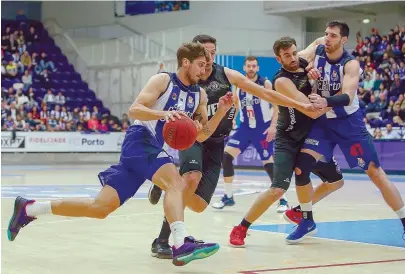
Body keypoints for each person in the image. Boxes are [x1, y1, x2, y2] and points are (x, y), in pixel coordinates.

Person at [7, 42, 234, 266]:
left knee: (100, 208)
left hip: (154, 149)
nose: (204, 71)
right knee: (176, 184)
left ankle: (30, 208)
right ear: (186, 62)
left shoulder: (200, 96)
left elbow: (201, 135)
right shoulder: (163, 80)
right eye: (201, 65)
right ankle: (180, 242)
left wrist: (221, 111)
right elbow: (134, 109)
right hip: (139, 140)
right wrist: (164, 114)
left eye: (206, 66)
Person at [147, 34, 315, 259]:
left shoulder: (226, 74)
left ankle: (166, 183)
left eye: (212, 52)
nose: (208, 57)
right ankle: (163, 240)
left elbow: (265, 93)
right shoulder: (188, 79)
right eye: (204, 53)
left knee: (197, 205)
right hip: (194, 138)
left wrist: (298, 103)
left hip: (217, 141)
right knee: (190, 179)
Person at [284, 21, 405, 244]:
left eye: (333, 35)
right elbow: (299, 56)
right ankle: (306, 220)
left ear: (343, 40)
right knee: (301, 167)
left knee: (375, 173)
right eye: (326, 34)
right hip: (322, 123)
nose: (327, 38)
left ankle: (404, 221)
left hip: (349, 123)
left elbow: (347, 96)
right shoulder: (320, 47)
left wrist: (324, 100)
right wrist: (305, 62)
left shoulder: (350, 64)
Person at [228, 36, 345, 247]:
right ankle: (241, 227)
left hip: (311, 136)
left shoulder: (302, 59)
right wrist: (344, 95)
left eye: (293, 53)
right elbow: (311, 111)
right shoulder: (281, 80)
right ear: (278, 58)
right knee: (278, 189)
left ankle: (300, 211)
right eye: (286, 56)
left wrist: (331, 47)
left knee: (336, 182)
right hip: (288, 137)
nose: (291, 58)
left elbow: (320, 40)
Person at [211, 56, 289, 212]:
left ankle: (283, 200)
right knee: (226, 157)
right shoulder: (239, 85)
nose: (251, 68)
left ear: (258, 68)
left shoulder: (265, 83)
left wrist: (274, 125)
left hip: (263, 129)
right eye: (249, 66)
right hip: (245, 128)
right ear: (244, 68)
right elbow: (236, 105)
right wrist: (231, 120)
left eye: (254, 66)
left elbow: (276, 105)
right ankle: (228, 196)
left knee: (269, 164)